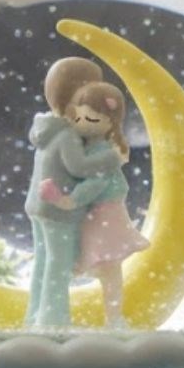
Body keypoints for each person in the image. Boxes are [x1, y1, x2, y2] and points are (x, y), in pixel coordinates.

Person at [39, 81, 149, 328]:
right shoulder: (89, 146)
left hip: (106, 215)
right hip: (97, 215)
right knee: (99, 266)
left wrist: (70, 200)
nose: (81, 124)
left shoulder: (103, 151)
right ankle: (109, 316)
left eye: (91, 119)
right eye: (78, 118)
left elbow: (97, 181)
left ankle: (114, 318)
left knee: (107, 267)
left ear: (110, 122)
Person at [24, 57, 123, 327]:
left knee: (43, 263)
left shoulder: (46, 127)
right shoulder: (67, 134)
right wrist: (110, 158)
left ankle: (34, 317)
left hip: (37, 206)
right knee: (58, 266)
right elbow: (78, 167)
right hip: (59, 211)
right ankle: (53, 321)